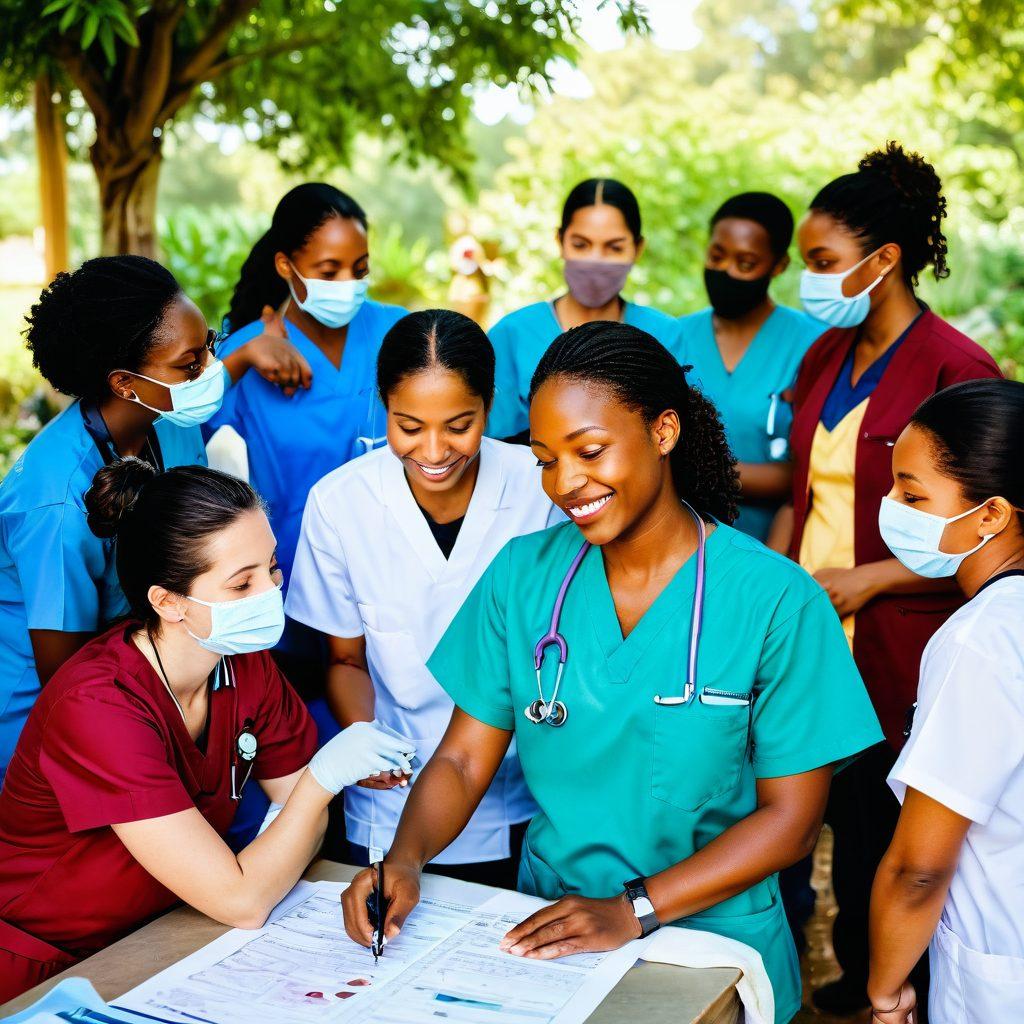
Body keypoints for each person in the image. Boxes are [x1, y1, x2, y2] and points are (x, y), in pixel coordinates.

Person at [340, 322, 882, 1024]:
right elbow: (465, 761)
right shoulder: (523, 578)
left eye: (590, 451)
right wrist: (407, 858)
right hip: (546, 926)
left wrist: (636, 908)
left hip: (713, 945)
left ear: (663, 431)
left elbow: (790, 822)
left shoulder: (777, 601)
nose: (565, 485)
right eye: (544, 460)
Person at [0, 460, 415, 1002]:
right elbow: (245, 894)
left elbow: (303, 824)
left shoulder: (243, 661)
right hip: (46, 964)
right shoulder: (98, 706)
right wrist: (322, 780)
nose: (269, 593)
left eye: (271, 568)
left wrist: (303, 804)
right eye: (241, 583)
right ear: (167, 601)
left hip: (164, 934)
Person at [776, 142, 1002, 1017]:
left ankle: (883, 986)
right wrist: (787, 580)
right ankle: (792, 975)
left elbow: (983, 526)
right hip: (806, 637)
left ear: (884, 260)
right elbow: (803, 488)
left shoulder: (956, 368)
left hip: (896, 649)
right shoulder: (821, 361)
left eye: (824, 264)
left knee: (878, 829)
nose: (812, 281)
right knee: (787, 819)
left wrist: (867, 580)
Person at [287, 310, 560, 886]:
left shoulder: (542, 490)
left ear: (490, 405)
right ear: (383, 404)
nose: (433, 451)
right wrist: (369, 745)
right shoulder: (340, 504)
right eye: (408, 426)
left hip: (523, 797)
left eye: (459, 425)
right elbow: (344, 659)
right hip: (392, 804)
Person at [0, 255, 294, 779]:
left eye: (209, 346)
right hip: (47, 714)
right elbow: (64, 673)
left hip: (153, 680)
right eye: (189, 365)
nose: (208, 370)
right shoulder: (55, 504)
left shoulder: (170, 422)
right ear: (124, 382)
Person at [867, 379, 1024, 1024]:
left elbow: (919, 868)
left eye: (912, 495)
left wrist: (883, 990)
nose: (892, 508)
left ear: (990, 514)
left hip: (1001, 968)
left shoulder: (980, 640)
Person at [209, 182, 408, 688]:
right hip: (291, 585)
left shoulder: (399, 334)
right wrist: (238, 360)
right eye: (329, 271)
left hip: (395, 577)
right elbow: (185, 436)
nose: (349, 283)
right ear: (285, 267)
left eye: (360, 269)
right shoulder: (248, 354)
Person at [486, 178, 681, 442]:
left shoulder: (665, 335)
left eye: (614, 247)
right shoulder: (511, 335)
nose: (596, 260)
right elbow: (494, 445)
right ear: (560, 241)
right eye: (581, 245)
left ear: (637, 248)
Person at [677, 192, 823, 542]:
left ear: (779, 266)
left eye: (745, 264)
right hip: (678, 543)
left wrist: (689, 469)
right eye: (717, 256)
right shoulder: (673, 336)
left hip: (775, 545)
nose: (726, 271)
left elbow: (815, 471)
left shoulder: (815, 344)